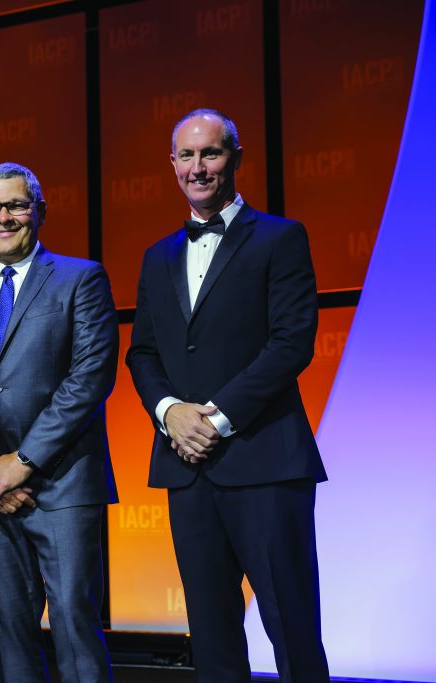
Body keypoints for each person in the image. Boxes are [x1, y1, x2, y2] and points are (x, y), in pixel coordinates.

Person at [126, 108, 329, 682]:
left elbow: (292, 343)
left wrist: (216, 420)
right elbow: (143, 353)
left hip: (264, 460)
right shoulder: (157, 255)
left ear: (235, 158)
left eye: (210, 153)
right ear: (172, 165)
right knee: (211, 632)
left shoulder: (281, 238)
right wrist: (170, 413)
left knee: (292, 627)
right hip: (186, 470)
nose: (198, 167)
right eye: (186, 156)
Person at [0, 162, 118, 683]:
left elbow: (89, 380)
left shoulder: (80, 278)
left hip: (62, 484)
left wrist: (21, 464)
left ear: (39, 211)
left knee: (73, 623)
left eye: (17, 205)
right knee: (12, 631)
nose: (5, 217)